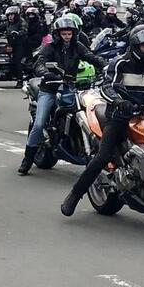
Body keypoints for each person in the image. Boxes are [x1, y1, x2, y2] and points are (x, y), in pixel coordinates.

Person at [59, 25, 144, 217]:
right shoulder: (120, 63)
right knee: (103, 156)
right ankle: (74, 195)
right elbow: (107, 86)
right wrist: (119, 101)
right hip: (119, 115)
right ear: (136, 46)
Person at [18, 17, 107, 175]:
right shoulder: (50, 48)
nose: (67, 36)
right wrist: (45, 73)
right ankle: (27, 159)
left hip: (70, 87)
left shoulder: (78, 47)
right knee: (39, 124)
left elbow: (91, 57)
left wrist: (106, 66)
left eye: (69, 33)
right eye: (64, 33)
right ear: (57, 34)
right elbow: (39, 62)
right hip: (50, 88)